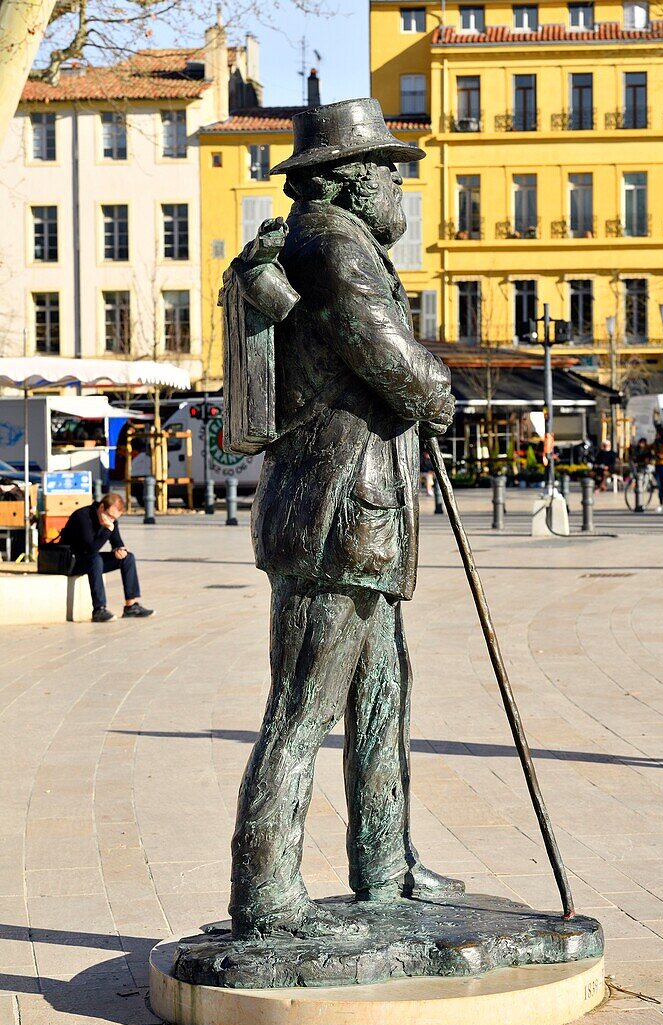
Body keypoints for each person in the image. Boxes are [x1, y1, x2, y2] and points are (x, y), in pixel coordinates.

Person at [228, 98, 460, 940]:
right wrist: (437, 392)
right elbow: (381, 350)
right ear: (350, 180)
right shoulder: (331, 243)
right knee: (304, 704)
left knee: (381, 697)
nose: (398, 184)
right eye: (388, 170)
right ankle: (266, 895)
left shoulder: (332, 240)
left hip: (360, 516)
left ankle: (386, 863)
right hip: (338, 514)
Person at [60, 492, 154, 622]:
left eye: (115, 518)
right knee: (96, 559)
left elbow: (116, 541)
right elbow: (91, 549)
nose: (112, 520)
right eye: (110, 516)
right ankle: (99, 609)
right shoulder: (82, 516)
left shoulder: (111, 519)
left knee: (128, 558)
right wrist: (108, 529)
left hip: (90, 560)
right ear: (102, 508)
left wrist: (120, 549)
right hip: (72, 561)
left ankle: (130, 606)